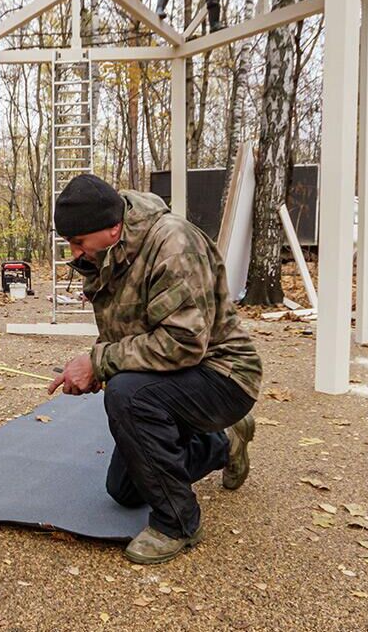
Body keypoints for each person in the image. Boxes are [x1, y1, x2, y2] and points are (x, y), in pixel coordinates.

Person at [46, 174, 262, 564]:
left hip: (224, 376)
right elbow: (128, 334)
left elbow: (183, 343)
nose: (74, 252)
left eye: (78, 243)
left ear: (113, 228)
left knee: (127, 395)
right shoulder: (110, 254)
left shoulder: (173, 245)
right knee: (124, 490)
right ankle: (224, 444)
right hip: (175, 377)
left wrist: (100, 363)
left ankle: (178, 523)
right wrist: (95, 368)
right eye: (70, 243)